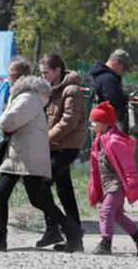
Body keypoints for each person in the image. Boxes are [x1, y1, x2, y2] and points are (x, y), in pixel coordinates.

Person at [0, 57, 84, 253]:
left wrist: (3, 123)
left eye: (10, 75)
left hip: (25, 154)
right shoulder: (25, 95)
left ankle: (69, 229)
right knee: (23, 196)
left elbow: (7, 122)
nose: (8, 79)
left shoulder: (27, 97)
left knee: (33, 197)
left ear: (15, 77)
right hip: (22, 152)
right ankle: (69, 230)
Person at [35, 53, 86, 249]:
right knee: (65, 192)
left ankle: (55, 229)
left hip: (67, 147)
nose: (43, 76)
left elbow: (68, 121)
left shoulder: (71, 90)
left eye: (46, 72)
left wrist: (45, 140)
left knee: (42, 185)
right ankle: (75, 239)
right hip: (57, 146)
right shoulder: (52, 89)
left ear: (57, 71)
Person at [88, 101, 138, 256]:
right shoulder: (100, 139)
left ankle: (105, 243)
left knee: (105, 211)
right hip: (108, 183)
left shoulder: (114, 141)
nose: (91, 124)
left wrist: (131, 184)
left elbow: (128, 165)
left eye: (94, 121)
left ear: (104, 123)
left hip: (118, 183)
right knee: (116, 214)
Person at [90, 49, 131, 134]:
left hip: (98, 124)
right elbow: (114, 102)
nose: (123, 72)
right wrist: (125, 99)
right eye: (123, 68)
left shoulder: (98, 76)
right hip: (106, 127)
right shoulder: (108, 79)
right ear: (116, 63)